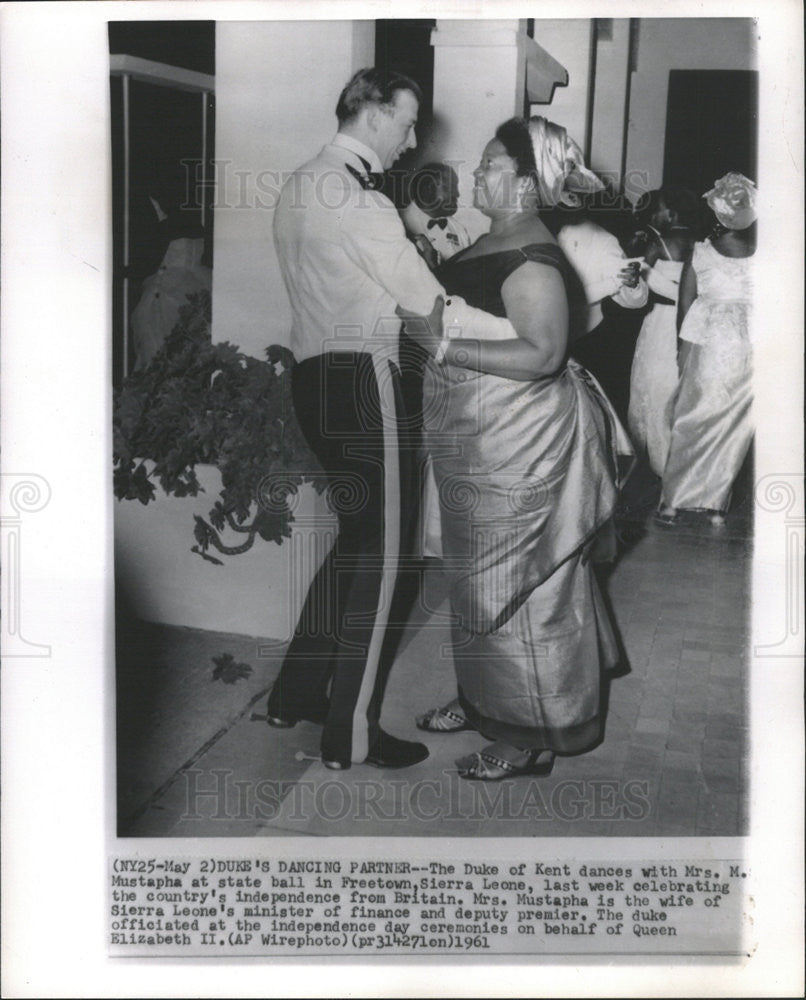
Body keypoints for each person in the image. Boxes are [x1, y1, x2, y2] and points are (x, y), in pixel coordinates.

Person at [267, 68, 516, 771]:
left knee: (356, 543)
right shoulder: (361, 201)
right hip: (367, 381)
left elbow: (362, 276)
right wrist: (521, 335)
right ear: (373, 115)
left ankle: (293, 693)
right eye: (407, 122)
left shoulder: (299, 185)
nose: (412, 139)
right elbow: (430, 308)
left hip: (314, 379)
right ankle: (350, 735)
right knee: (387, 561)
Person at [398, 116, 633, 781]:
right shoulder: (498, 239)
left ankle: (529, 733)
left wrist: (443, 346)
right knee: (478, 581)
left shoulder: (532, 258)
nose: (476, 173)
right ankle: (486, 700)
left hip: (519, 443)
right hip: (481, 441)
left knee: (519, 584)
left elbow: (543, 353)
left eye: (490, 163)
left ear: (527, 183)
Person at [657, 172, 756, 526]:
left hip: (708, 344)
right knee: (734, 424)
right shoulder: (765, 258)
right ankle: (716, 503)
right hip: (749, 348)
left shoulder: (701, 253)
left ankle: (673, 501)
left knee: (690, 418)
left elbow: (684, 307)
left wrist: (679, 350)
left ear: (716, 214)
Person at [548, 169, 648, 424]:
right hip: (547, 337)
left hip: (586, 343)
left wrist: (628, 283)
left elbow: (631, 298)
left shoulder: (603, 240)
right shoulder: (543, 232)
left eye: (569, 194)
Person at [627, 186, 698, 475]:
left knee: (650, 385)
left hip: (660, 322)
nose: (657, 214)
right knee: (675, 386)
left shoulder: (660, 243)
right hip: (690, 322)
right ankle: (682, 462)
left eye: (661, 208)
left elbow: (636, 276)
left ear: (672, 212)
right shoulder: (701, 242)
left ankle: (655, 462)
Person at [400, 162, 472, 268]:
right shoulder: (398, 222)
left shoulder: (459, 230)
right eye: (449, 188)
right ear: (428, 189)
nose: (457, 194)